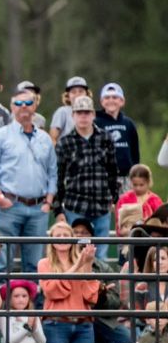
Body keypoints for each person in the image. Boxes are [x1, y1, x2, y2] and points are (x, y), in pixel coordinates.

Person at [0, 91, 57, 273]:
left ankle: (33, 301)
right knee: (1, 261)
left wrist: (49, 201)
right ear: (11, 107)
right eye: (19, 103)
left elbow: (53, 172)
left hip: (39, 208)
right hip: (8, 206)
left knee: (36, 263)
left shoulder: (45, 138)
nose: (24, 106)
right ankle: (1, 301)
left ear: (35, 106)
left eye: (28, 102)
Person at [54, 95, 119, 259]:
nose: (83, 116)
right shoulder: (65, 143)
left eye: (87, 113)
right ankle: (77, 285)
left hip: (102, 205)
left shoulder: (106, 138)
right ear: (73, 115)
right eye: (79, 113)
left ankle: (100, 284)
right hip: (75, 206)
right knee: (75, 253)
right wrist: (58, 209)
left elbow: (112, 171)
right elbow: (58, 177)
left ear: (93, 115)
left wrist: (115, 197)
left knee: (101, 254)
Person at [95, 82, 140, 188]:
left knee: (129, 204)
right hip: (105, 177)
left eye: (115, 97)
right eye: (107, 97)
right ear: (102, 102)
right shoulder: (96, 123)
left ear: (122, 101)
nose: (111, 100)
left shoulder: (128, 123)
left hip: (127, 177)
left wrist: (136, 172)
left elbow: (135, 151)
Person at [48, 75, 91, 144]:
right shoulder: (62, 112)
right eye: (73, 92)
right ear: (68, 96)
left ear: (87, 94)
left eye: (81, 91)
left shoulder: (90, 112)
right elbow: (53, 138)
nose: (77, 94)